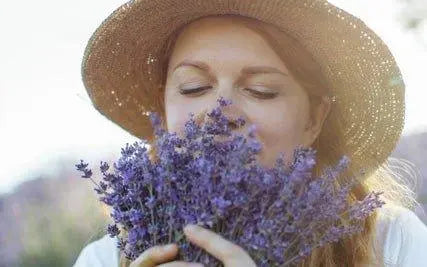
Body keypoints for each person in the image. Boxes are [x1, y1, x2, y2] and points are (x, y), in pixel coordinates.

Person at [74, 0, 427, 266]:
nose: (221, 113)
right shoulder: (106, 259)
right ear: (163, 115)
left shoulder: (392, 243)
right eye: (194, 87)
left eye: (261, 90)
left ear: (313, 120)